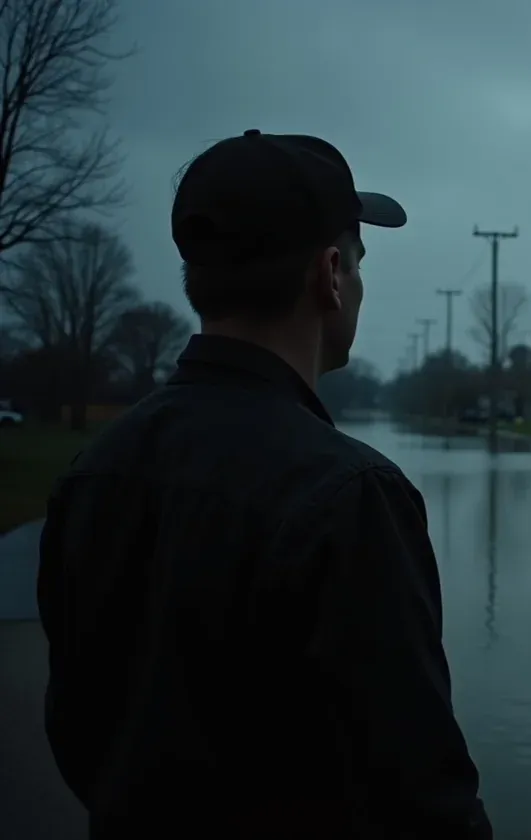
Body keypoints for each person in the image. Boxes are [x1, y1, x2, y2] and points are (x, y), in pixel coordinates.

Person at [36, 130, 492, 839]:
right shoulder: (350, 496)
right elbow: (422, 800)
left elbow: (76, 731)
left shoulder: (95, 471)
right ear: (332, 274)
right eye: (360, 265)